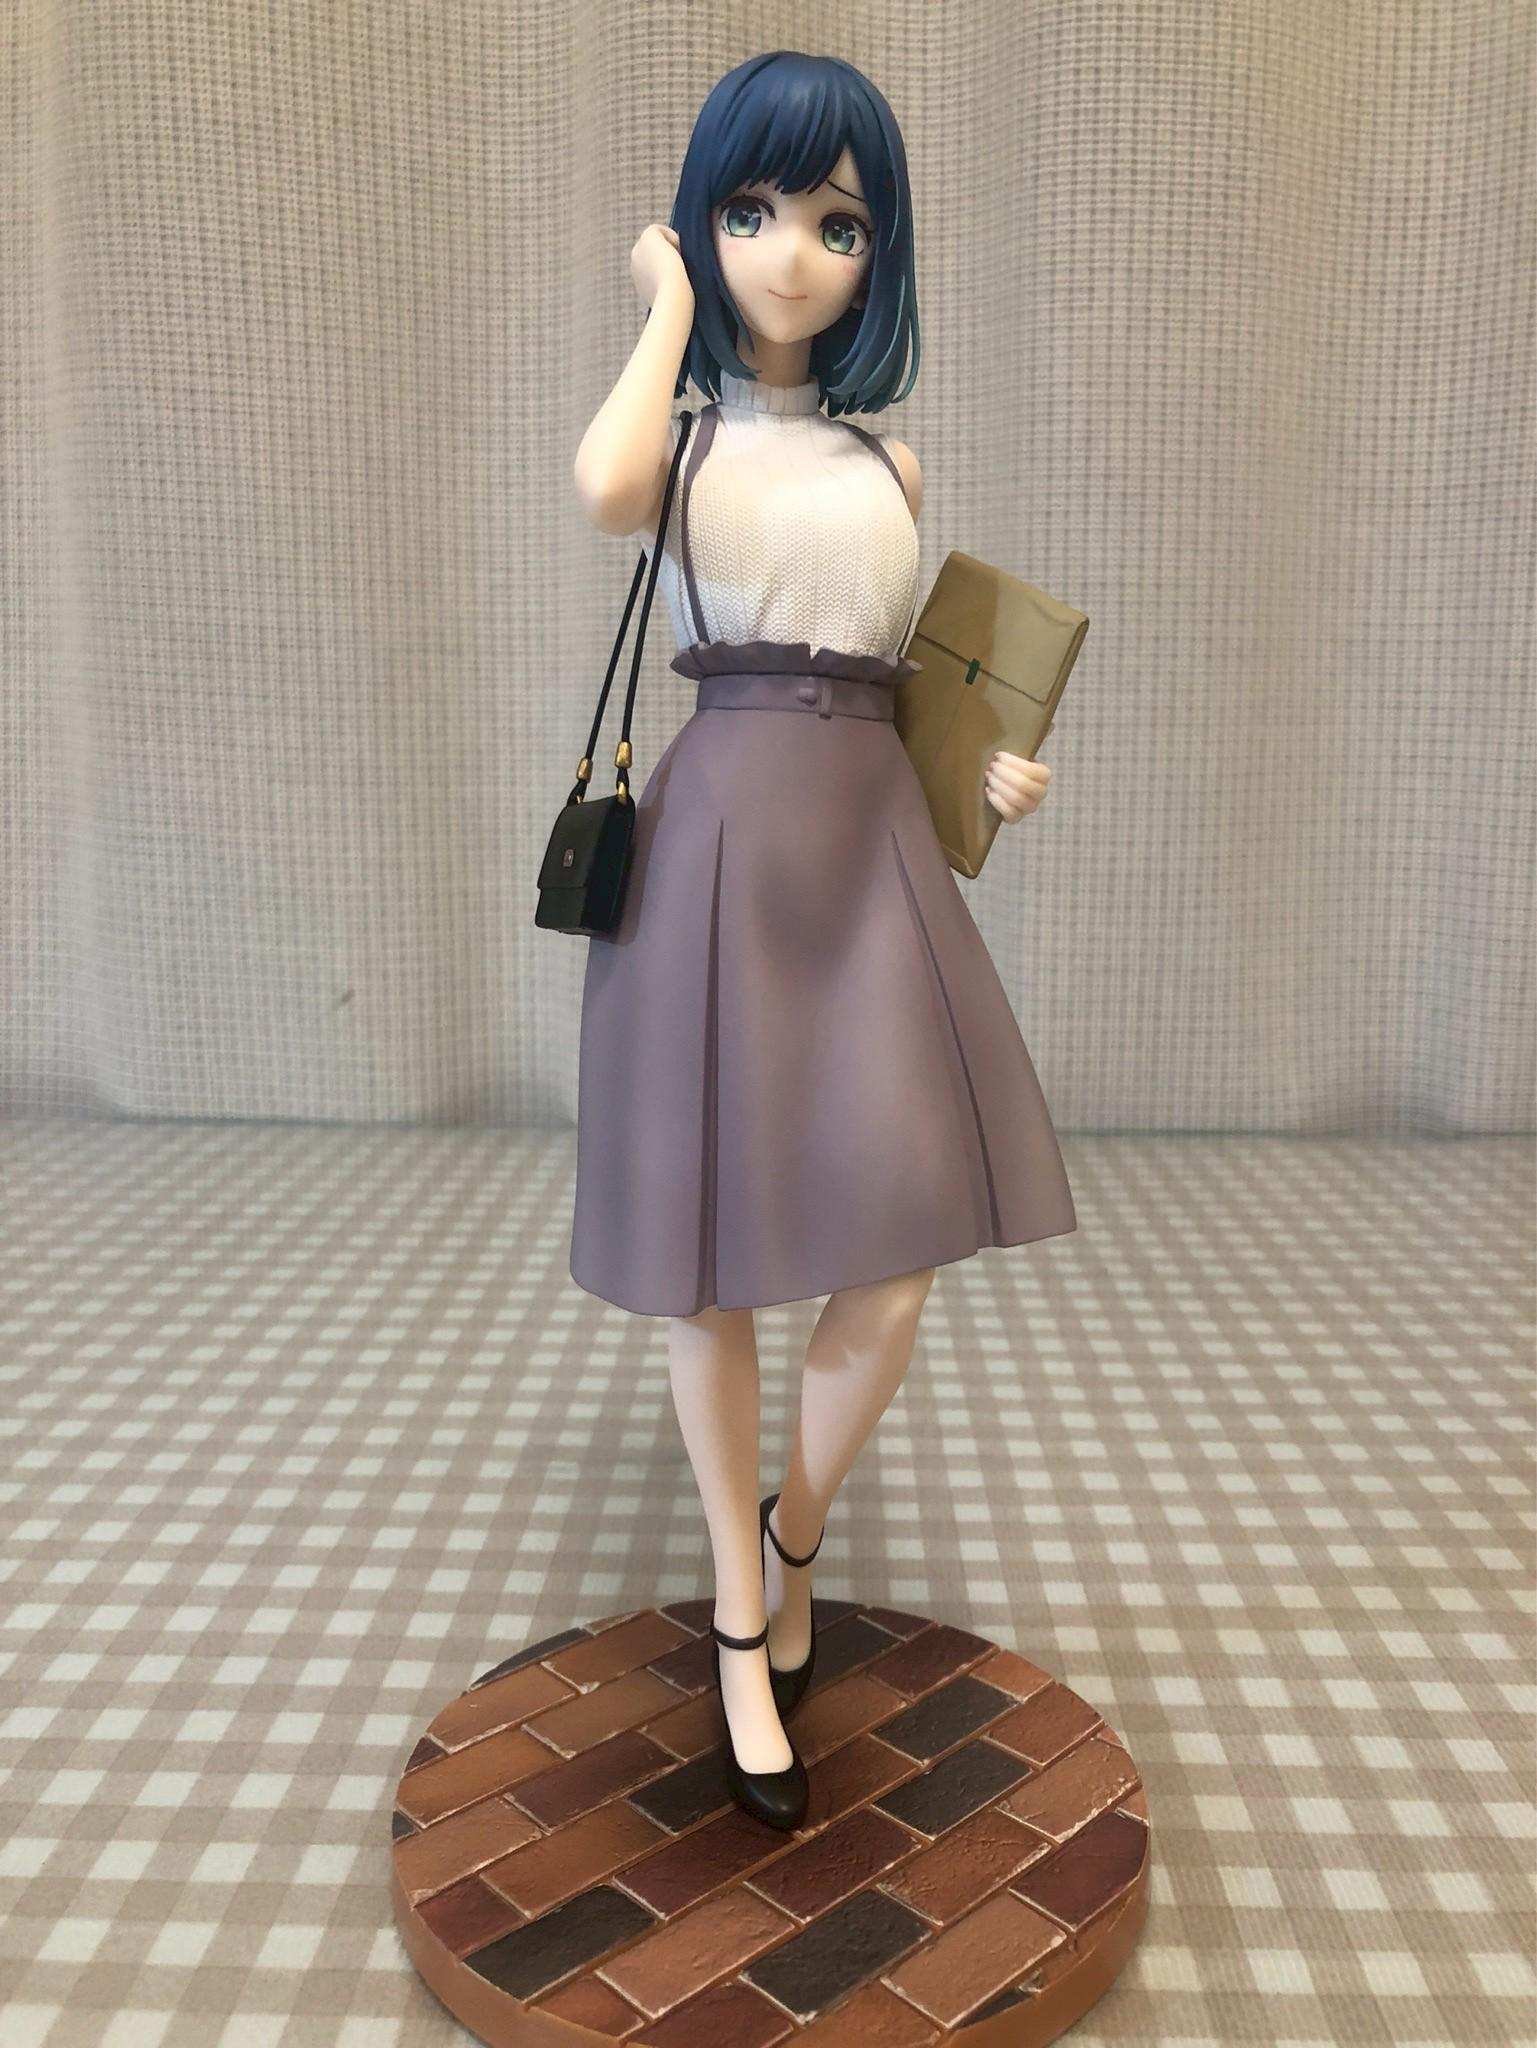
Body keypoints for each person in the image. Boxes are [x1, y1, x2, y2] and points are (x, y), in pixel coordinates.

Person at [569, 50, 1075, 1831]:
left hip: (871, 852)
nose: (791, 252)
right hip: (714, 849)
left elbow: (902, 684)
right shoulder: (681, 441)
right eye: (751, 210)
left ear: (880, 253)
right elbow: (604, 485)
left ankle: (793, 1532)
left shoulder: (887, 461)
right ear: (705, 226)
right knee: (706, 1264)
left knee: (903, 1242)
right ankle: (737, 1607)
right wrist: (662, 302)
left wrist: (984, 770)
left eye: (836, 223)